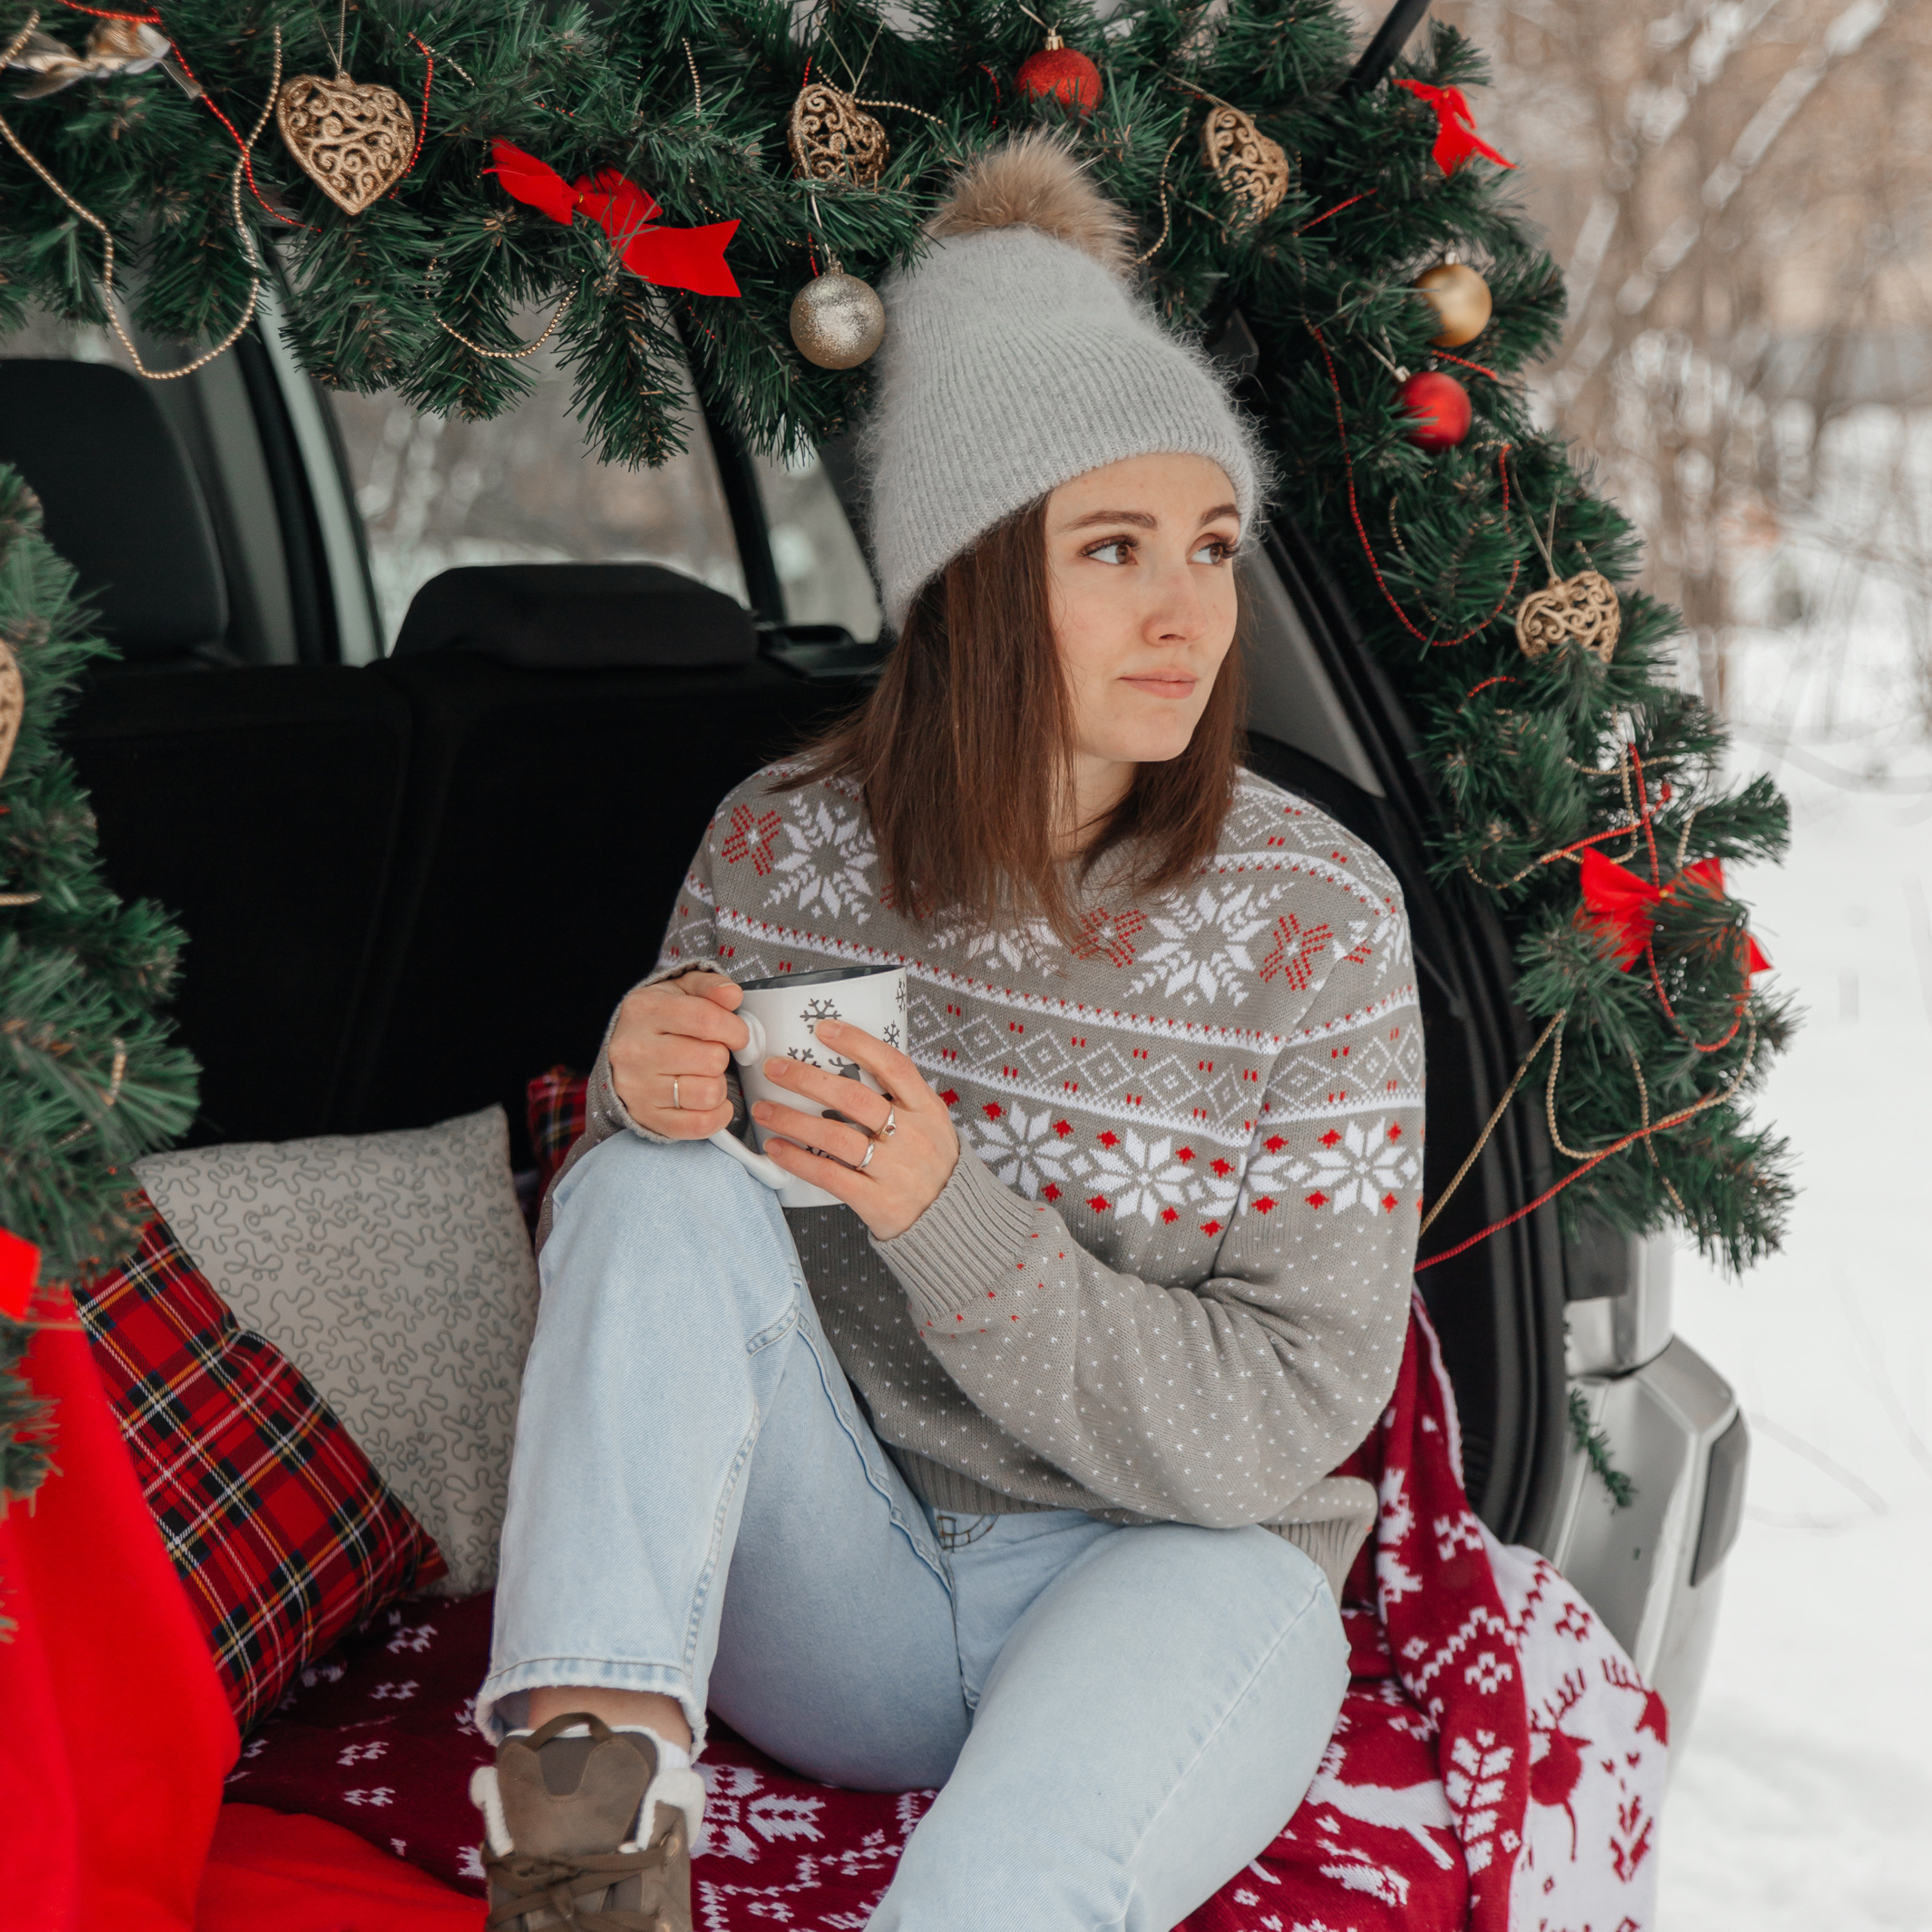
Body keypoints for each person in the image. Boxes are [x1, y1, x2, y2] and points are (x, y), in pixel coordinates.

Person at [469, 134, 1425, 1932]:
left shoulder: (1319, 919)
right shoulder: (775, 841)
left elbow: (1284, 1416)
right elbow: (668, 1317)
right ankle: (584, 1854)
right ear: (970, 576)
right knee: (642, 1195)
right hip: (841, 1592)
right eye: (1115, 546)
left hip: (1176, 1567)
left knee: (1005, 1894)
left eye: (1211, 545)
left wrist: (948, 1213)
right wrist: (641, 1093)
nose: (1186, 611)